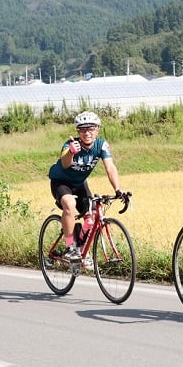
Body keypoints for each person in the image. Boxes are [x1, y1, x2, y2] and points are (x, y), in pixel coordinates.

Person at [48, 111, 123, 261]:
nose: (87, 133)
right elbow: (65, 163)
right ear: (78, 131)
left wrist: (118, 189)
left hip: (80, 184)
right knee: (70, 204)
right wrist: (71, 152)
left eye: (91, 129)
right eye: (82, 129)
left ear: (97, 129)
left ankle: (82, 249)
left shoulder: (101, 145)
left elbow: (110, 168)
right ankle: (70, 247)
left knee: (93, 216)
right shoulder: (70, 144)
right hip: (61, 182)